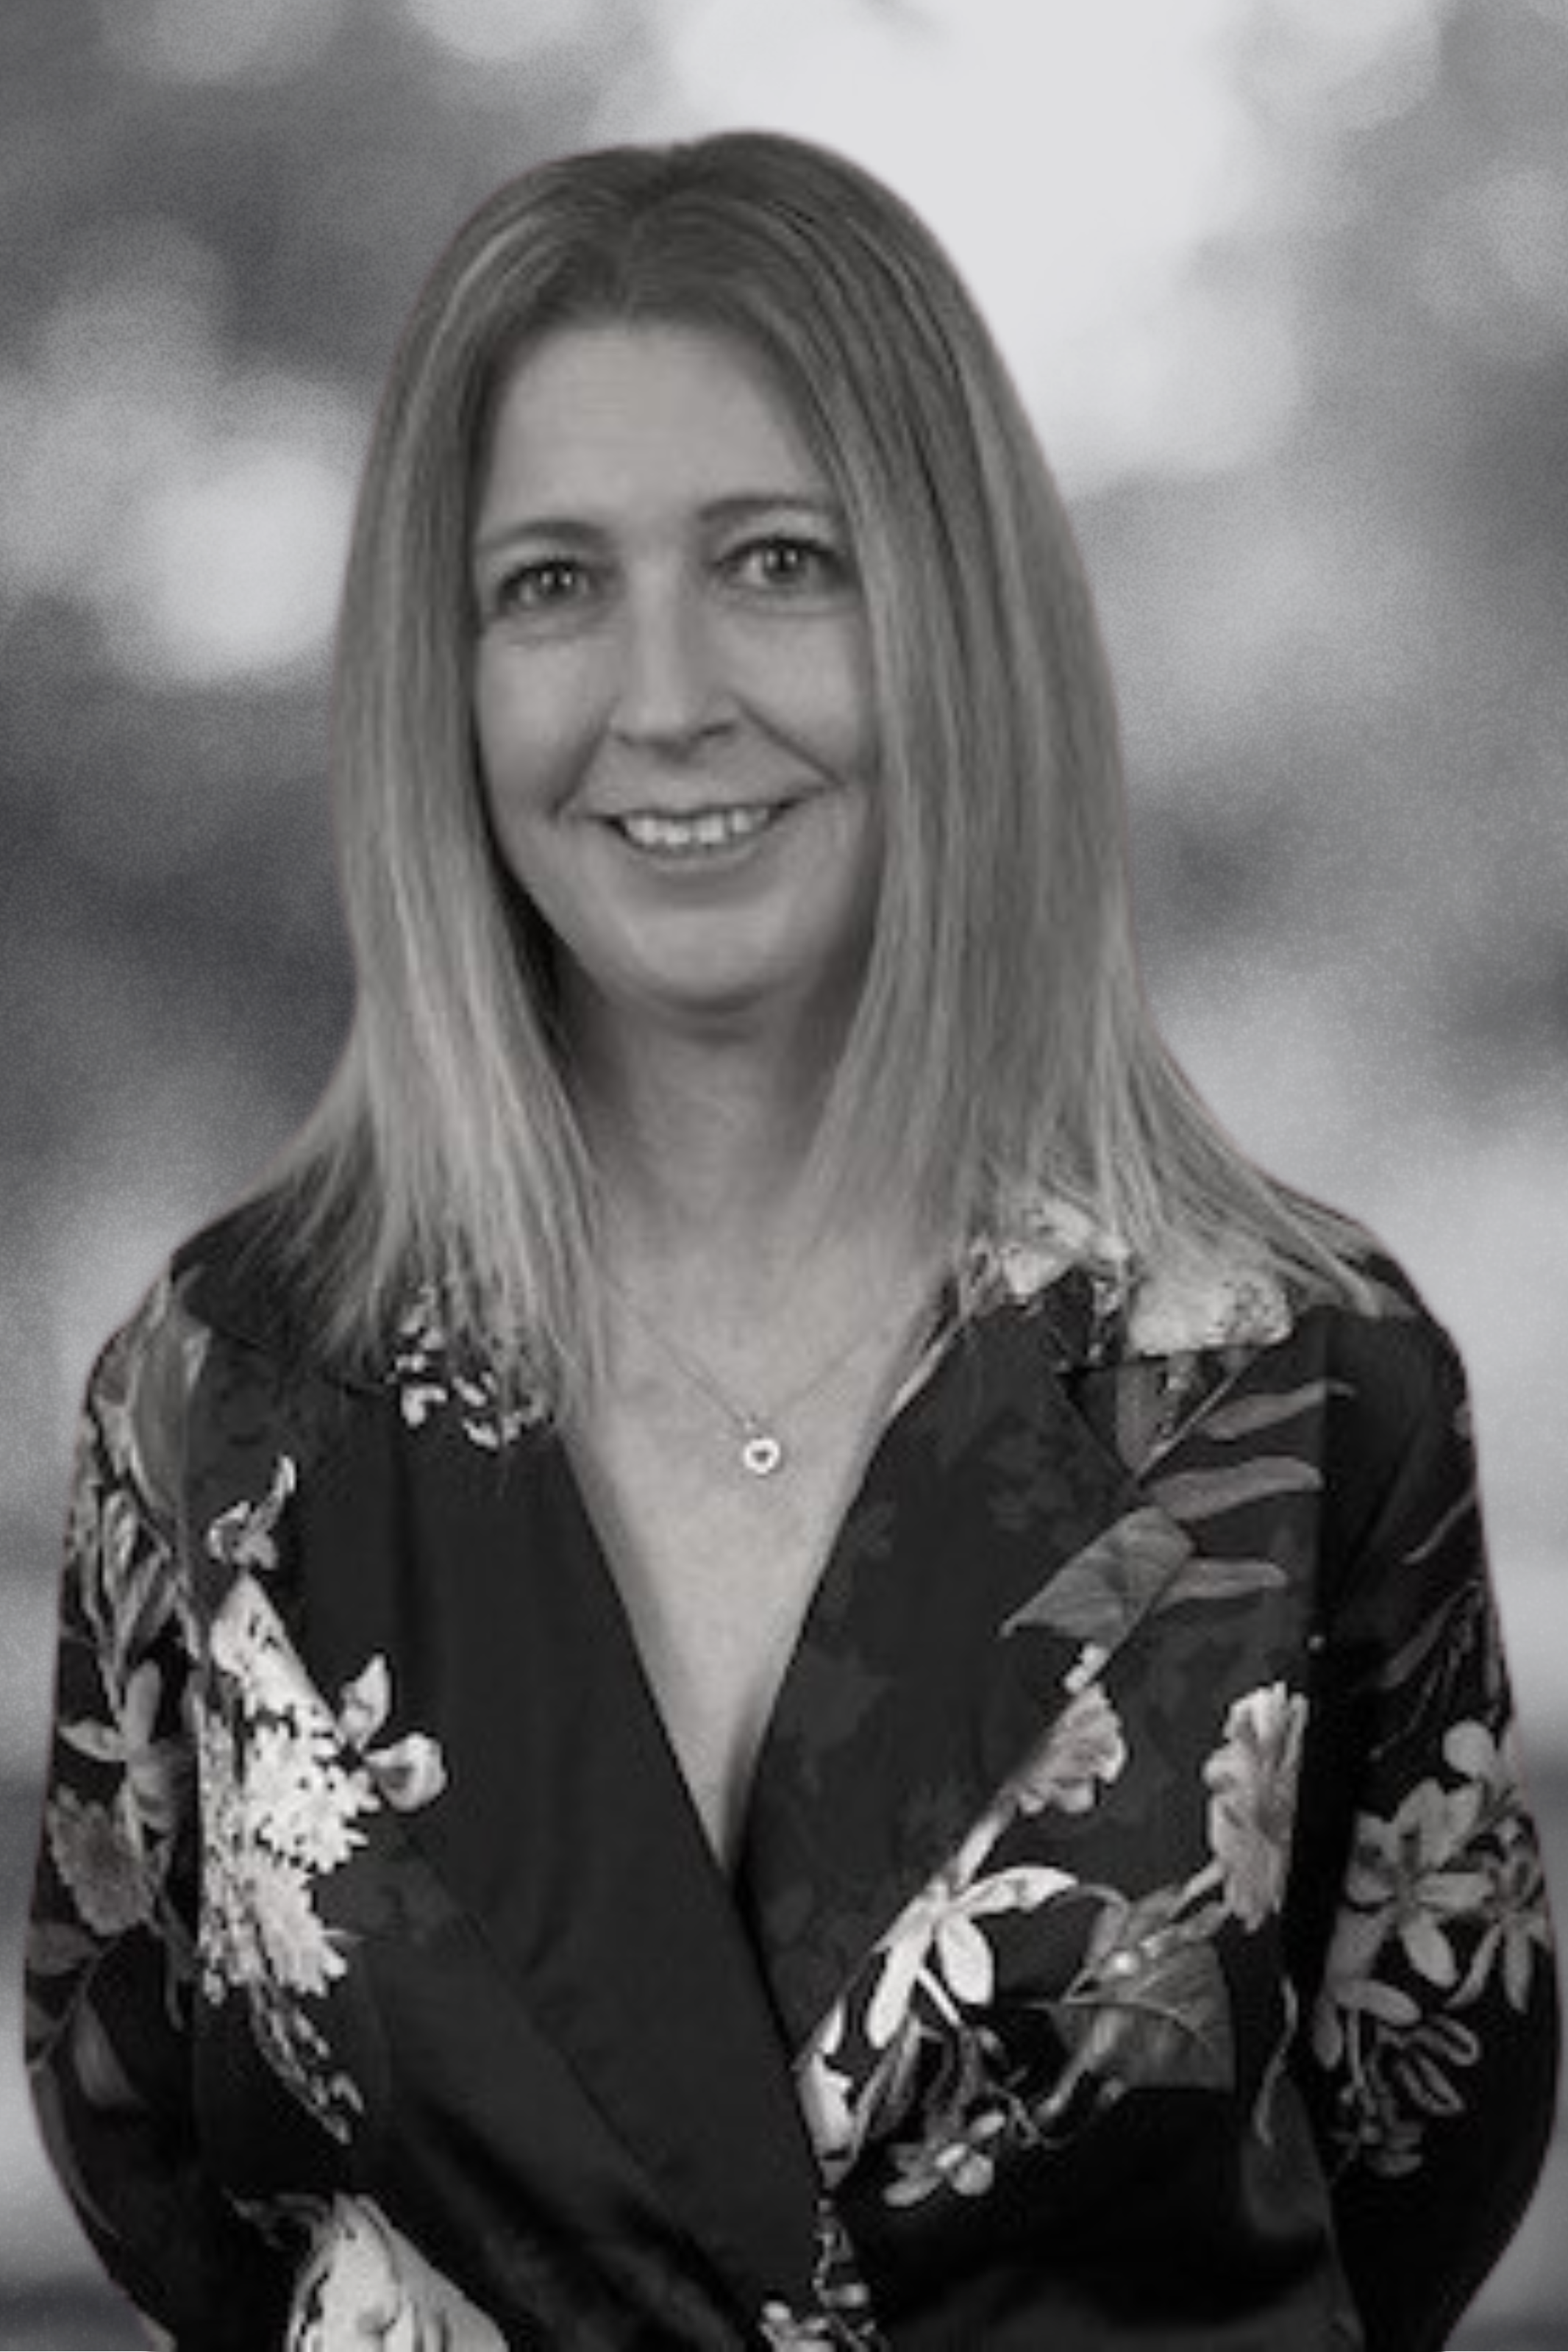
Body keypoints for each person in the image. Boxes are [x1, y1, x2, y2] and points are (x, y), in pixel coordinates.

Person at [26, 130, 1557, 2351]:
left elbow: (1419, 2146)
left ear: (957, 616)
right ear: (433, 684)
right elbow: (148, 2144)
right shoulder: (225, 1391)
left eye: (774, 560)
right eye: (548, 583)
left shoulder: (1298, 1379)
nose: (663, 699)